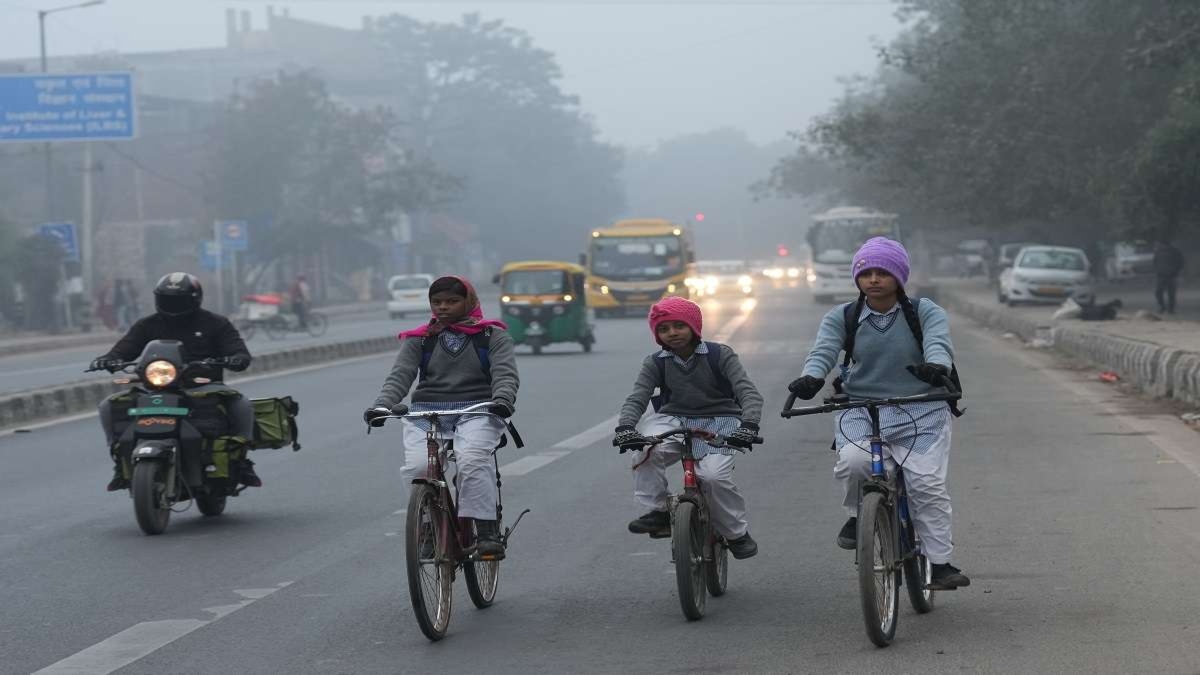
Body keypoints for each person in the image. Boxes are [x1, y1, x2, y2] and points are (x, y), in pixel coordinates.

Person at [789, 237, 970, 590]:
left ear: (899, 276)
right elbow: (823, 351)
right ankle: (859, 517)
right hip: (861, 407)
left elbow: (938, 342)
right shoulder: (843, 316)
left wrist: (936, 366)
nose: (874, 279)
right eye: (866, 273)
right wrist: (811, 377)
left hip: (922, 408)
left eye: (883, 272)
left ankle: (939, 562)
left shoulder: (924, 311)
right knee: (854, 463)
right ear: (857, 278)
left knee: (926, 486)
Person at [364, 276, 519, 559]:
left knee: (472, 459)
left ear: (469, 301)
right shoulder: (420, 339)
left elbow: (505, 375)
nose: (443, 307)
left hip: (479, 410)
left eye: (451, 301)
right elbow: (400, 376)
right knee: (418, 469)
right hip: (428, 411)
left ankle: (486, 531)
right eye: (437, 302)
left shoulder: (493, 336)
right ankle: (427, 530)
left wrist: (503, 400)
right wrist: (382, 405)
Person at [612, 296, 764, 560]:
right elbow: (638, 397)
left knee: (714, 477)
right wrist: (625, 427)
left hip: (722, 420)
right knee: (646, 450)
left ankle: (737, 534)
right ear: (657, 335)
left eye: (678, 326)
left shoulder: (720, 355)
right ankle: (659, 511)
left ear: (694, 326)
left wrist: (749, 425)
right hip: (673, 419)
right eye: (663, 329)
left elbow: (748, 393)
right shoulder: (656, 362)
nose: (672, 333)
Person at [89, 272, 257, 491]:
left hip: (203, 386)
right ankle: (120, 461)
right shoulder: (147, 325)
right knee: (108, 406)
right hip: (155, 388)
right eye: (167, 299)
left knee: (240, 403)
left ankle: (241, 460)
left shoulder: (215, 323)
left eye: (178, 300)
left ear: (194, 299)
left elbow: (238, 351)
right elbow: (125, 348)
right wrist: (108, 360)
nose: (172, 304)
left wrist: (236, 358)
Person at [1153, 239, 1185, 315]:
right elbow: (1155, 262)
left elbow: (1180, 262)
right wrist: (1157, 271)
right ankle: (1162, 307)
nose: (1158, 245)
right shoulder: (1158, 252)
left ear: (1164, 244)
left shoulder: (1175, 251)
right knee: (1158, 292)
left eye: (1159, 244)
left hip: (1171, 276)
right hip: (1161, 276)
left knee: (1171, 294)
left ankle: (1171, 309)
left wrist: (1175, 272)